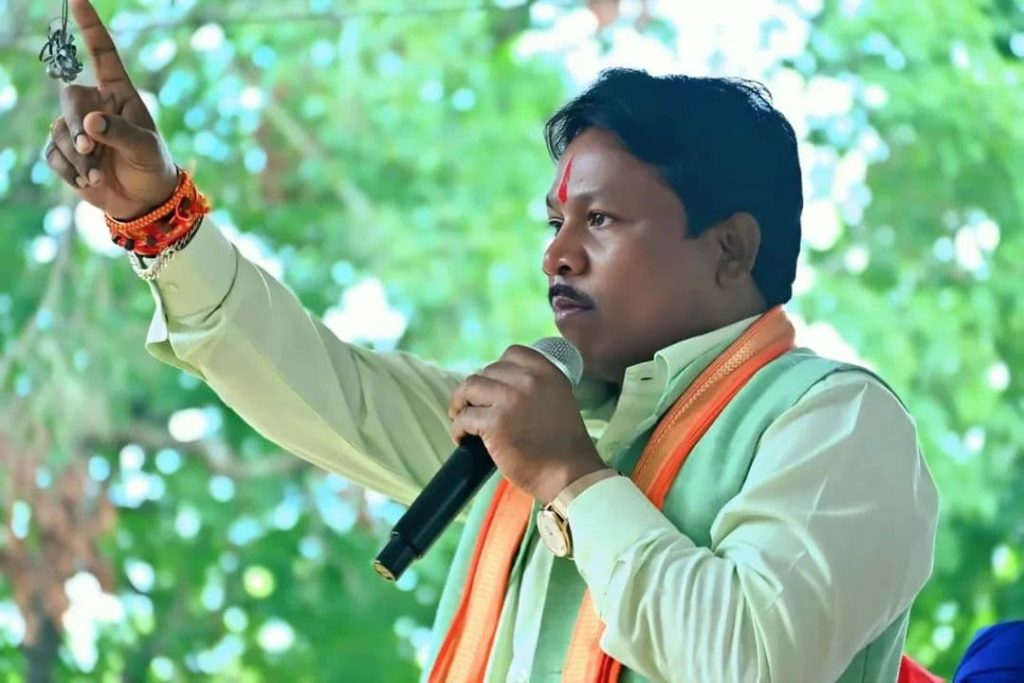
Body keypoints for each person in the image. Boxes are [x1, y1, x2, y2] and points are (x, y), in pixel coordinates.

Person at [47, 1, 940, 680]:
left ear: (730, 248)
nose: (557, 254)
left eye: (600, 219)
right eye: (555, 222)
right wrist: (157, 216)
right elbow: (326, 388)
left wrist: (572, 479)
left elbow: (752, 658)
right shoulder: (538, 422)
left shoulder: (836, 423)